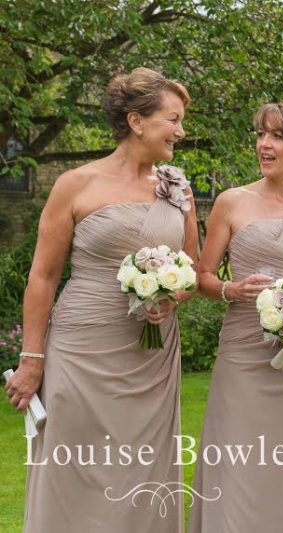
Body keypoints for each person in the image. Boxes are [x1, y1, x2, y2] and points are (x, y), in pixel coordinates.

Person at [5, 67, 196, 532]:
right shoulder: (76, 184)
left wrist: (171, 297)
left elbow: (191, 268)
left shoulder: (177, 188)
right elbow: (44, 277)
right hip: (81, 348)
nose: (181, 131)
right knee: (72, 466)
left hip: (149, 356)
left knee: (142, 469)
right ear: (136, 121)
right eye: (173, 119)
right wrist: (32, 359)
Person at [188, 102, 283, 532]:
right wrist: (230, 289)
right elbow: (201, 275)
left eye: (276, 136)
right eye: (260, 134)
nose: (264, 144)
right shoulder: (231, 201)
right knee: (238, 460)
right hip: (243, 354)